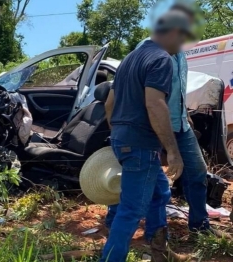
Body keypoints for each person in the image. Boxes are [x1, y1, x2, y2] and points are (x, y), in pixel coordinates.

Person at [105, 2, 231, 242]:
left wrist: (186, 117)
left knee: (194, 174)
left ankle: (195, 226)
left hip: (179, 125)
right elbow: (149, 101)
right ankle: (118, 224)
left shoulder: (179, 54)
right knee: (138, 184)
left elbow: (177, 92)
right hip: (152, 126)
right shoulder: (150, 52)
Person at [100, 10, 194, 262]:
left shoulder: (130, 59)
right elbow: (155, 105)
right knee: (131, 209)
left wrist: (119, 133)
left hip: (126, 140)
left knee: (160, 193)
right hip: (140, 144)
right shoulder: (161, 59)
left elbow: (109, 103)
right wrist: (173, 151)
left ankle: (159, 252)